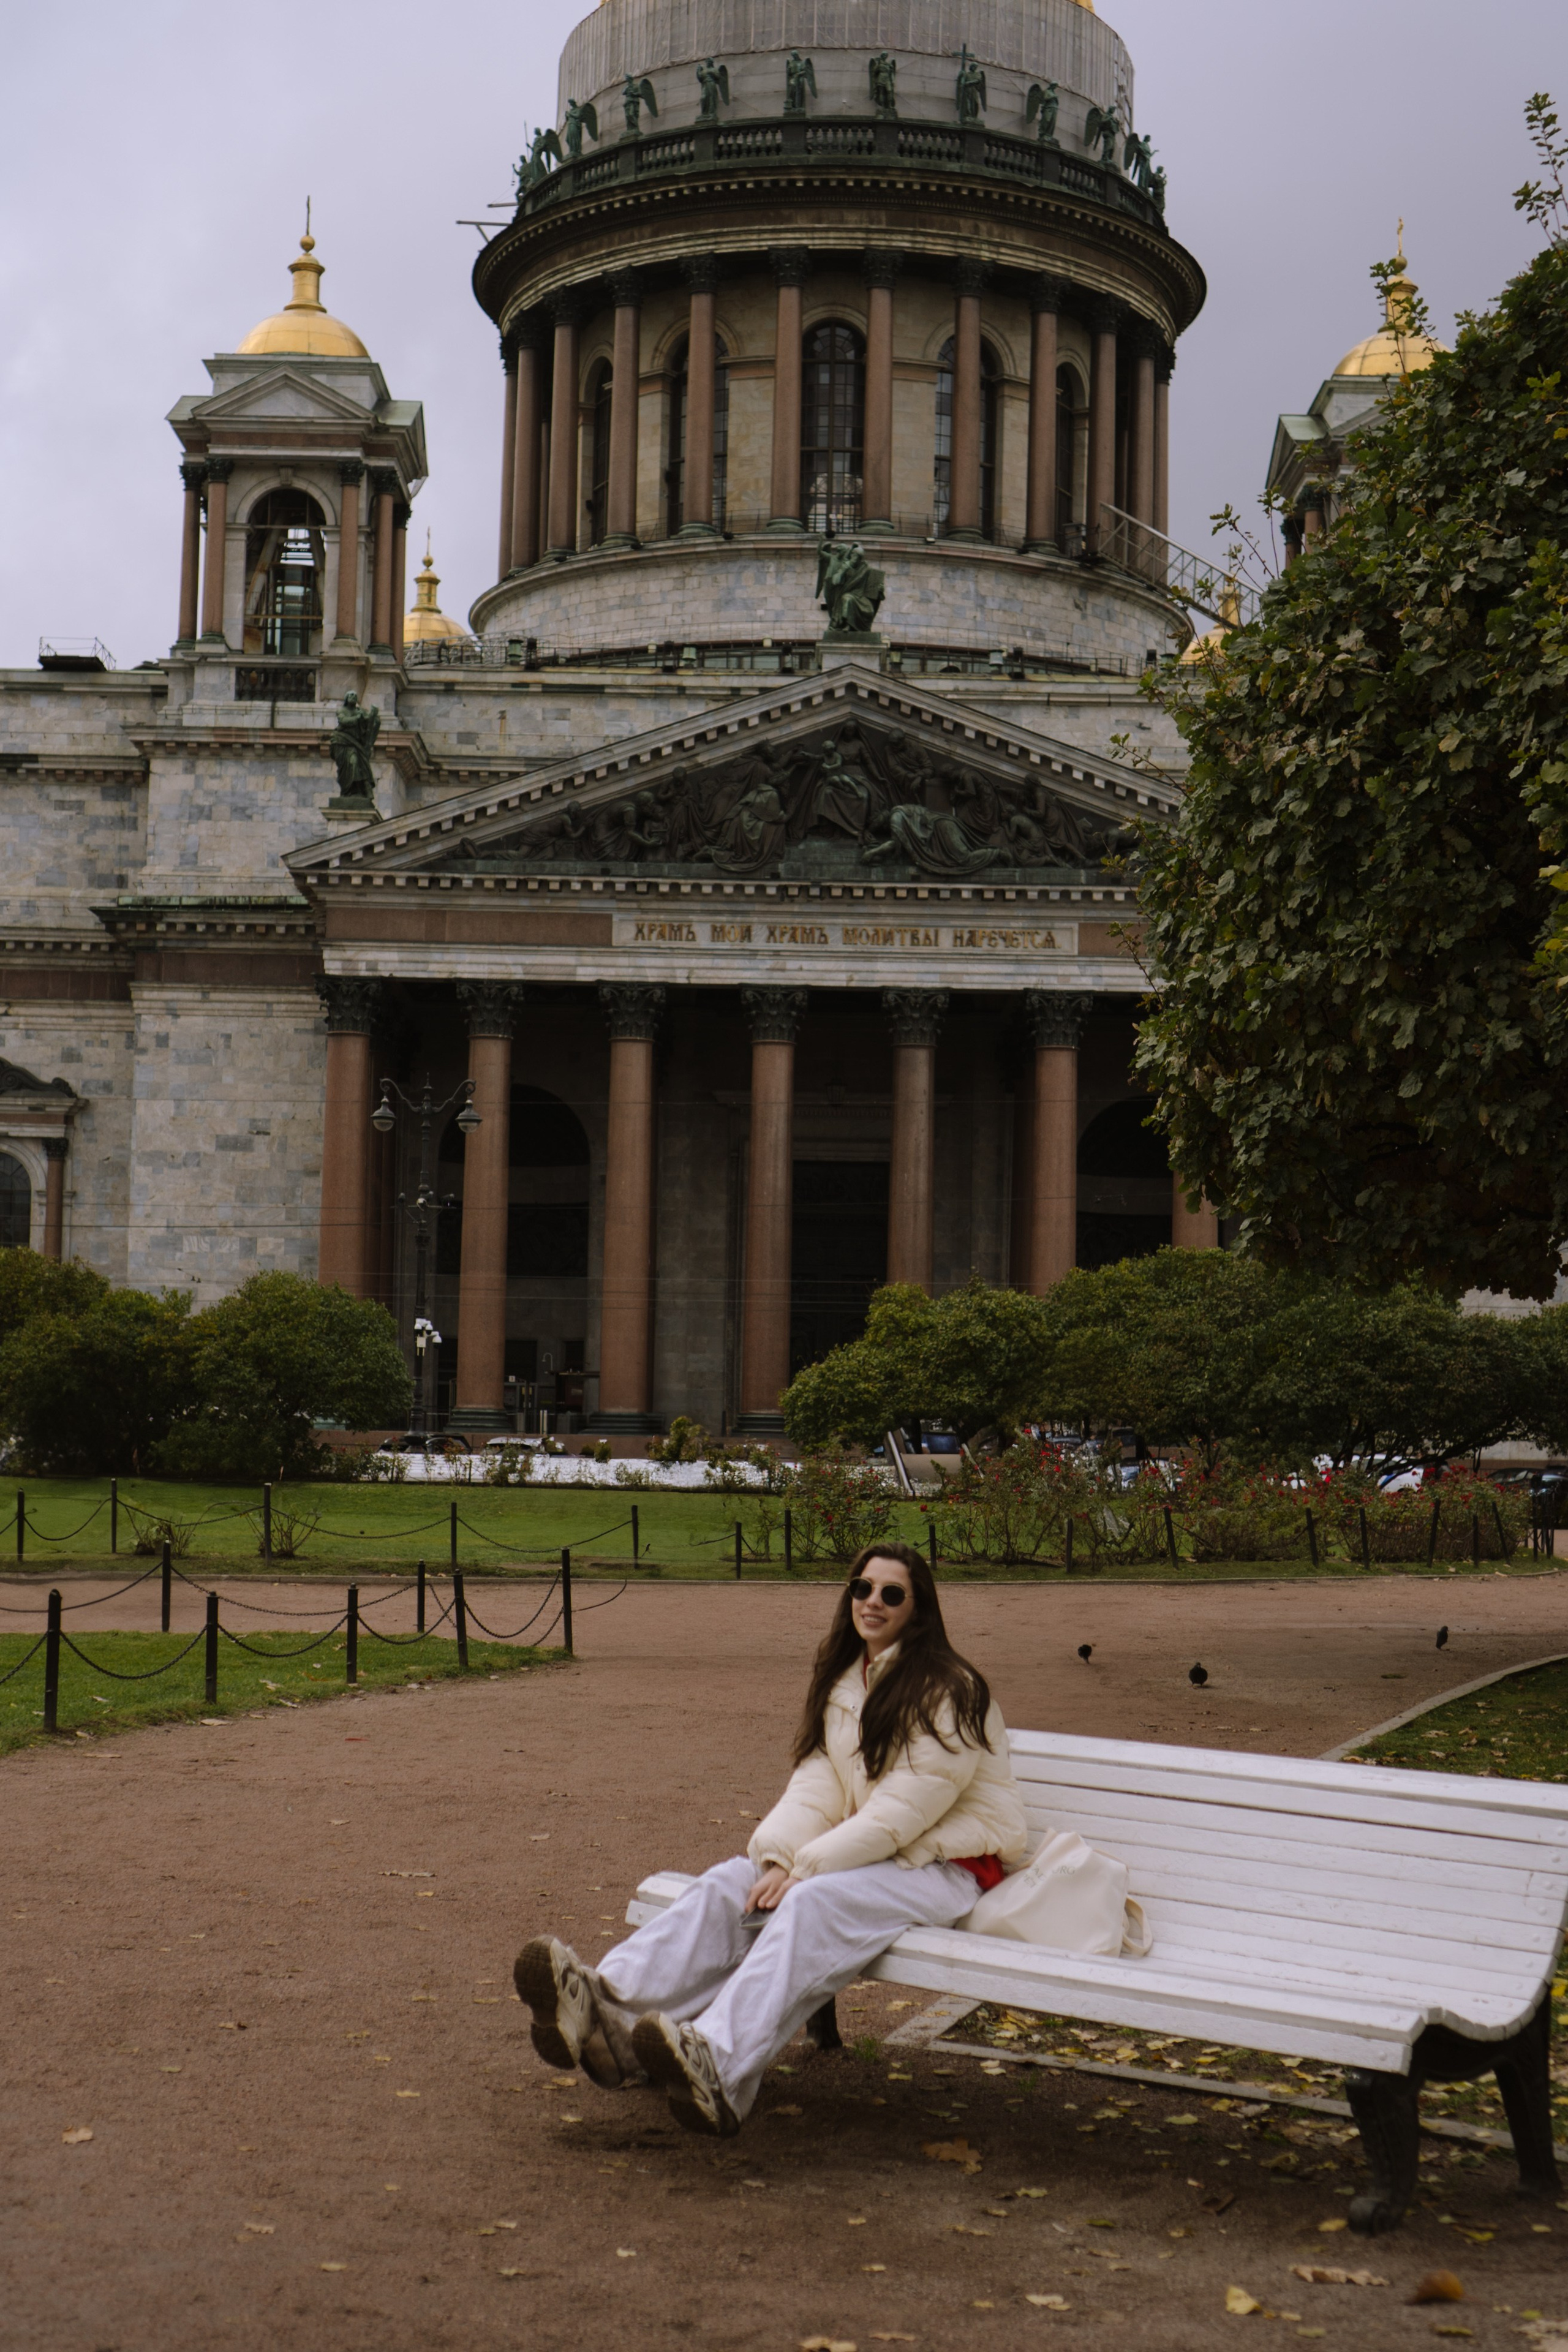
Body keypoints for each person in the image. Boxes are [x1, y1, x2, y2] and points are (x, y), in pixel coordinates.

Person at [514, 1542, 1028, 2136]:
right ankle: (604, 2009)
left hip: (950, 1869)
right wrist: (779, 1858)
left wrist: (805, 1871)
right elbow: (817, 1785)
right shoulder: (845, 1679)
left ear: (919, 1608)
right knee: (733, 1882)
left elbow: (902, 1813)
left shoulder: (949, 1688)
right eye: (862, 1588)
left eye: (892, 1594)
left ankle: (718, 2065)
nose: (873, 1602)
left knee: (809, 1901)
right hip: (876, 1858)